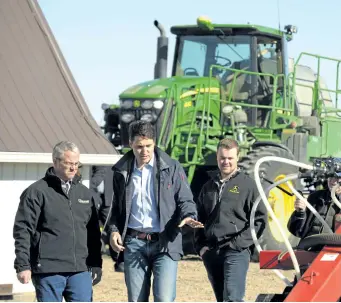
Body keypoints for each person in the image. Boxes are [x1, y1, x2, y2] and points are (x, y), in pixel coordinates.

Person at [108, 121, 203, 302]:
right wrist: (113, 230)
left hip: (165, 242)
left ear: (155, 142)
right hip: (134, 244)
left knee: (164, 299)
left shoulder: (172, 167)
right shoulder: (121, 171)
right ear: (130, 144)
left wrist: (189, 215)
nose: (144, 151)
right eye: (139, 146)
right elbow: (117, 209)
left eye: (149, 146)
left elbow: (185, 199)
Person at [13, 141, 102, 302]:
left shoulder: (85, 194)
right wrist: (23, 265)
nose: (73, 168)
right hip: (48, 270)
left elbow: (93, 233)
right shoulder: (36, 192)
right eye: (68, 163)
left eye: (76, 164)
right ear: (55, 161)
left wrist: (96, 263)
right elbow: (23, 230)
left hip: (79, 270)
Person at [194, 138, 267, 302]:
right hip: (212, 252)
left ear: (237, 158)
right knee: (221, 298)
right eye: (222, 158)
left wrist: (237, 244)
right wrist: (201, 247)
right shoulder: (208, 186)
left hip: (236, 251)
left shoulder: (249, 186)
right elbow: (200, 218)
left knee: (233, 298)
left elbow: (260, 220)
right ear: (217, 157)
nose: (225, 162)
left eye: (230, 158)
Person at [90, 165, 125, 272]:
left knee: (113, 228)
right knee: (91, 229)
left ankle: (119, 259)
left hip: (108, 198)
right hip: (93, 198)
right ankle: (92, 260)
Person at [288, 174, 341, 242]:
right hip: (308, 246)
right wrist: (300, 213)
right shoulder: (315, 197)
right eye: (330, 177)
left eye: (337, 177)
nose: (332, 181)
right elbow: (297, 231)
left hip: (333, 249)